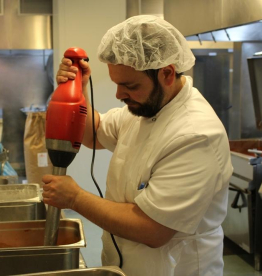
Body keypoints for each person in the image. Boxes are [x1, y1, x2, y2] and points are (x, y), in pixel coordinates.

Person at [42, 15, 233, 276]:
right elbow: (93, 134)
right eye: (117, 84)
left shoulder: (196, 135)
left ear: (167, 73)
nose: (120, 95)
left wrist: (75, 198)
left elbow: (153, 229)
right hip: (127, 264)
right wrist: (79, 90)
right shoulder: (145, 109)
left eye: (129, 85)